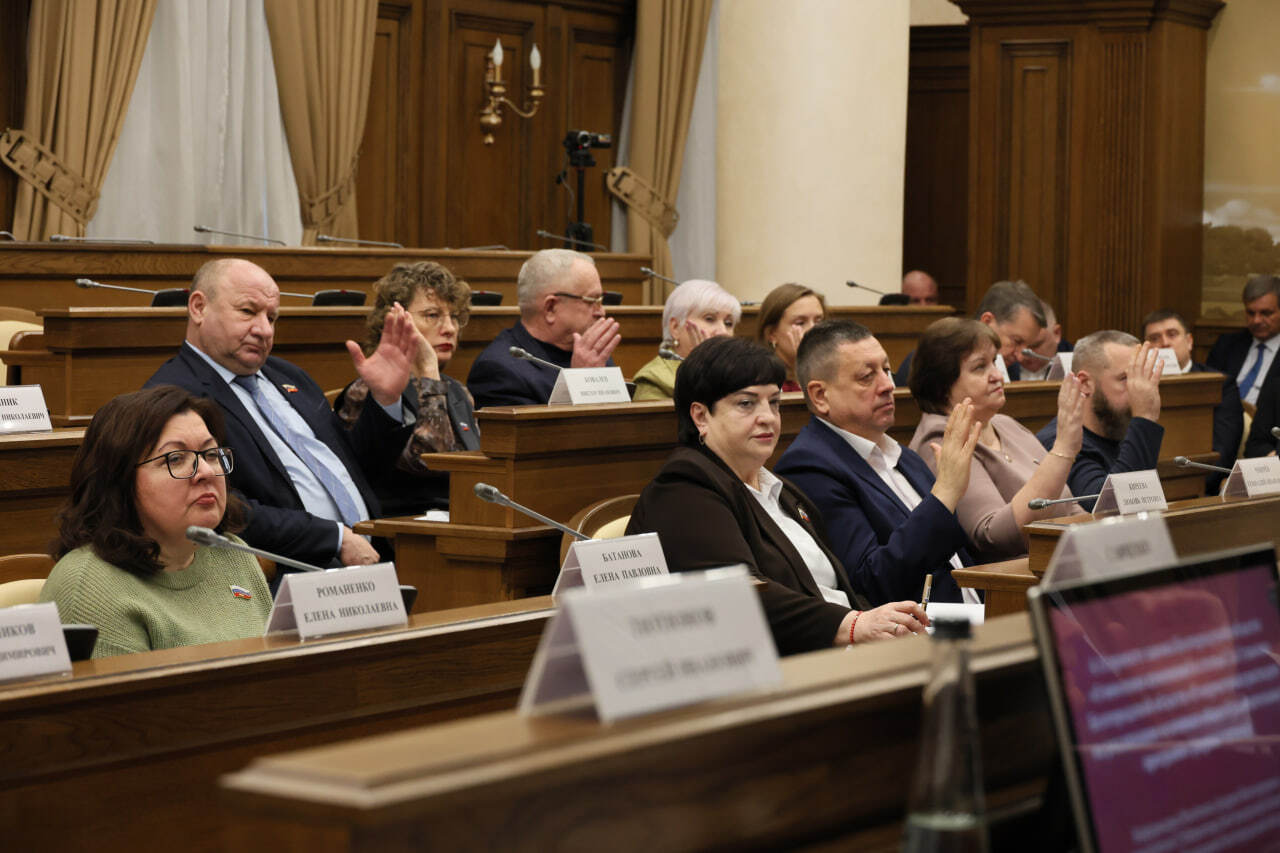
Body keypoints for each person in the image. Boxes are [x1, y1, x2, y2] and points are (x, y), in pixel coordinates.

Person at [626, 336, 931, 656]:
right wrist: (853, 625)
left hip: (837, 654)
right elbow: (740, 596)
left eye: (773, 402)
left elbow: (837, 590)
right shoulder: (684, 486)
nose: (768, 417)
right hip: (779, 667)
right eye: (747, 403)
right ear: (701, 416)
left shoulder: (783, 490)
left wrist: (886, 625)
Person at [146, 258, 418, 569]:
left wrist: (385, 401)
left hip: (376, 556)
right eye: (247, 311)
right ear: (198, 308)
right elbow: (223, 507)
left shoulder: (290, 376)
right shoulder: (174, 395)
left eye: (272, 317)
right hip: (294, 570)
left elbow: (355, 469)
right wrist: (332, 537)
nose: (264, 330)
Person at [39, 386, 272, 658]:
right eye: (175, 459)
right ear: (120, 481)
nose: (206, 471)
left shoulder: (234, 555)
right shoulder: (91, 588)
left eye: (211, 454)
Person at [775, 320, 982, 606]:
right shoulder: (809, 468)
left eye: (886, 369)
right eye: (866, 377)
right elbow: (871, 582)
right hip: (916, 626)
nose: (888, 385)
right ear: (820, 396)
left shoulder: (903, 456)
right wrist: (946, 492)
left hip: (977, 608)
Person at [907, 318, 1085, 561]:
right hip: (1015, 577)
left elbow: (1069, 504)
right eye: (980, 367)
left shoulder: (1005, 424)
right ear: (942, 384)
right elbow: (994, 536)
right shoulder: (940, 440)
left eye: (994, 362)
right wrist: (1063, 448)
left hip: (1064, 560)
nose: (997, 375)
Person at [335, 261, 480, 516]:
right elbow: (428, 463)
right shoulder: (368, 392)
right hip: (406, 527)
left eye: (454, 317)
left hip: (464, 518)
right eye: (432, 315)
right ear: (395, 320)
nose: (449, 328)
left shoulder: (458, 391)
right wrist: (429, 372)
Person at [466, 249, 621, 407]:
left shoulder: (592, 354)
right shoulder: (498, 370)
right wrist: (582, 381)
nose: (601, 312)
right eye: (592, 300)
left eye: (601, 301)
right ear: (550, 308)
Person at [1036, 332, 1164, 510]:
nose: (1140, 390)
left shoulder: (1118, 428)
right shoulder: (1059, 444)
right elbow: (1109, 508)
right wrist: (1145, 417)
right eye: (1126, 378)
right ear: (1085, 384)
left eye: (1142, 378)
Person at [1141, 309, 1243, 489]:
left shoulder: (1220, 384)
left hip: (1201, 485)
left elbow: (1223, 453)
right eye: (1155, 338)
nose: (1164, 343)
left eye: (1172, 334)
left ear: (1189, 341)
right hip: (1145, 487)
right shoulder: (1135, 386)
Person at [894, 279, 1046, 385]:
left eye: (1027, 346)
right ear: (987, 321)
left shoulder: (1011, 368)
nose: (1020, 357)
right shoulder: (930, 361)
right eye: (1017, 341)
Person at [633, 279, 740, 401]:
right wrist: (700, 366)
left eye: (728, 323)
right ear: (675, 328)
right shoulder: (654, 380)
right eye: (709, 319)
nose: (723, 331)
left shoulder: (738, 372)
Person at [1206, 274, 1280, 408]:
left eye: (1266, 313)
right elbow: (1207, 391)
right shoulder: (1227, 344)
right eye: (1250, 313)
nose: (1256, 320)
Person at [755, 283, 826, 391]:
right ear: (772, 334)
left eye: (818, 321)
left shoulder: (830, 370)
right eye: (800, 323)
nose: (813, 329)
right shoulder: (765, 380)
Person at [1018, 299, 1072, 380]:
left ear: (1056, 333)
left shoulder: (1077, 364)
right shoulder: (1005, 363)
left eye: (1035, 346)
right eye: (1018, 344)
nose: (1022, 356)